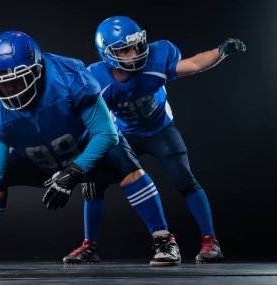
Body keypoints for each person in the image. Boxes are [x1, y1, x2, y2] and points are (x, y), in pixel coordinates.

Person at [0, 30, 182, 268]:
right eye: (1, 83)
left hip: (86, 151)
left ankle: (164, 239)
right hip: (40, 161)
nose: (9, 91)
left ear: (36, 70)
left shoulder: (70, 77)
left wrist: (75, 171)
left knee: (126, 164)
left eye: (17, 81)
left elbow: (106, 133)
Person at [62, 16, 246, 264]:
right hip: (124, 135)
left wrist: (220, 51)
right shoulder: (95, 77)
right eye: (125, 49)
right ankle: (89, 246)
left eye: (137, 45)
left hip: (160, 129)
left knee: (185, 180)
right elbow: (81, 116)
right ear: (107, 53)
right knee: (93, 185)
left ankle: (210, 239)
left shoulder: (157, 57)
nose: (135, 52)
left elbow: (193, 64)